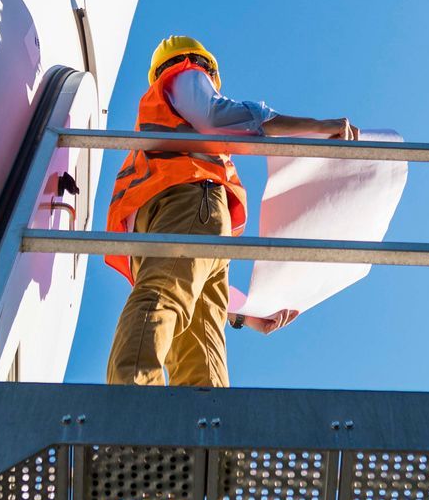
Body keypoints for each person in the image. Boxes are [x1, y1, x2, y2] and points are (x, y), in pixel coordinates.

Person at [104, 35, 356, 386]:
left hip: (175, 217)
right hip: (190, 199)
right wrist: (316, 125)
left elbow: (194, 274)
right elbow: (215, 116)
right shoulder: (184, 72)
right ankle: (129, 400)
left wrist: (243, 315)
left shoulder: (157, 128)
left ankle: (202, 438)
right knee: (168, 299)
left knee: (199, 332)